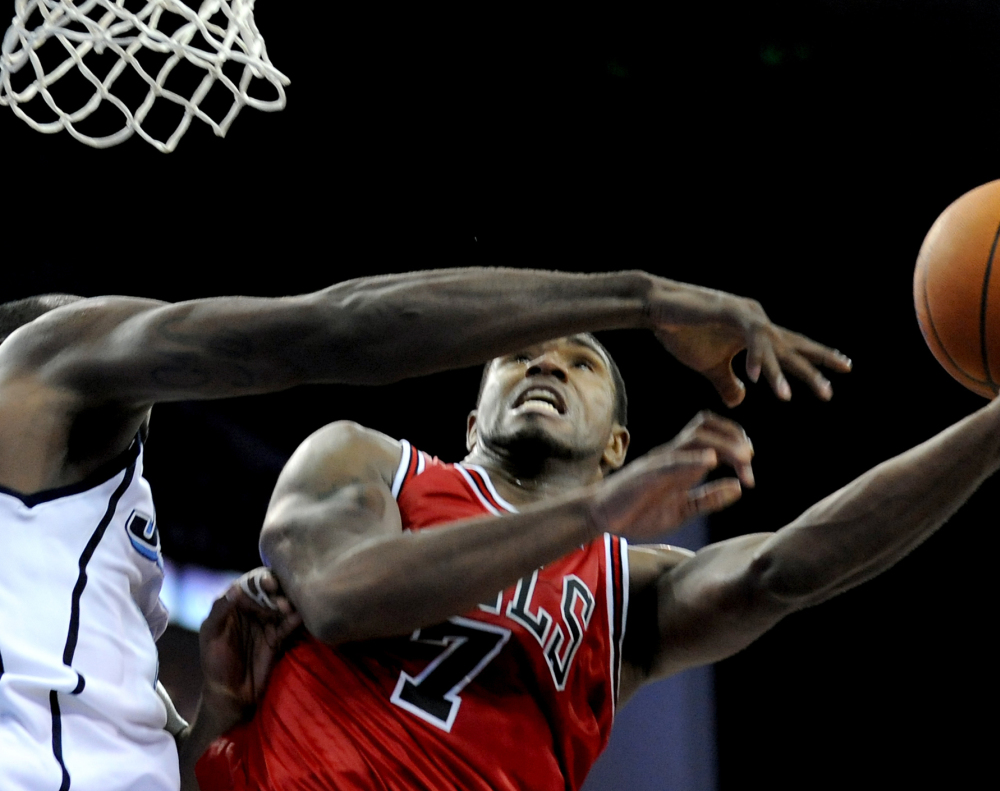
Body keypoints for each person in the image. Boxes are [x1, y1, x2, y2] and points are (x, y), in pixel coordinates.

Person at [0, 269, 847, 791]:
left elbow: (787, 568)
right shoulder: (42, 380)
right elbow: (335, 326)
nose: (126, 338)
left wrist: (217, 710)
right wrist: (642, 297)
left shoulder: (85, 538)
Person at [193, 331, 999, 791]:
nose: (547, 365)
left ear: (616, 447)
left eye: (580, 364)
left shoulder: (622, 587)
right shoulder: (366, 462)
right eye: (521, 356)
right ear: (473, 420)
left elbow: (783, 570)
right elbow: (339, 597)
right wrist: (591, 514)